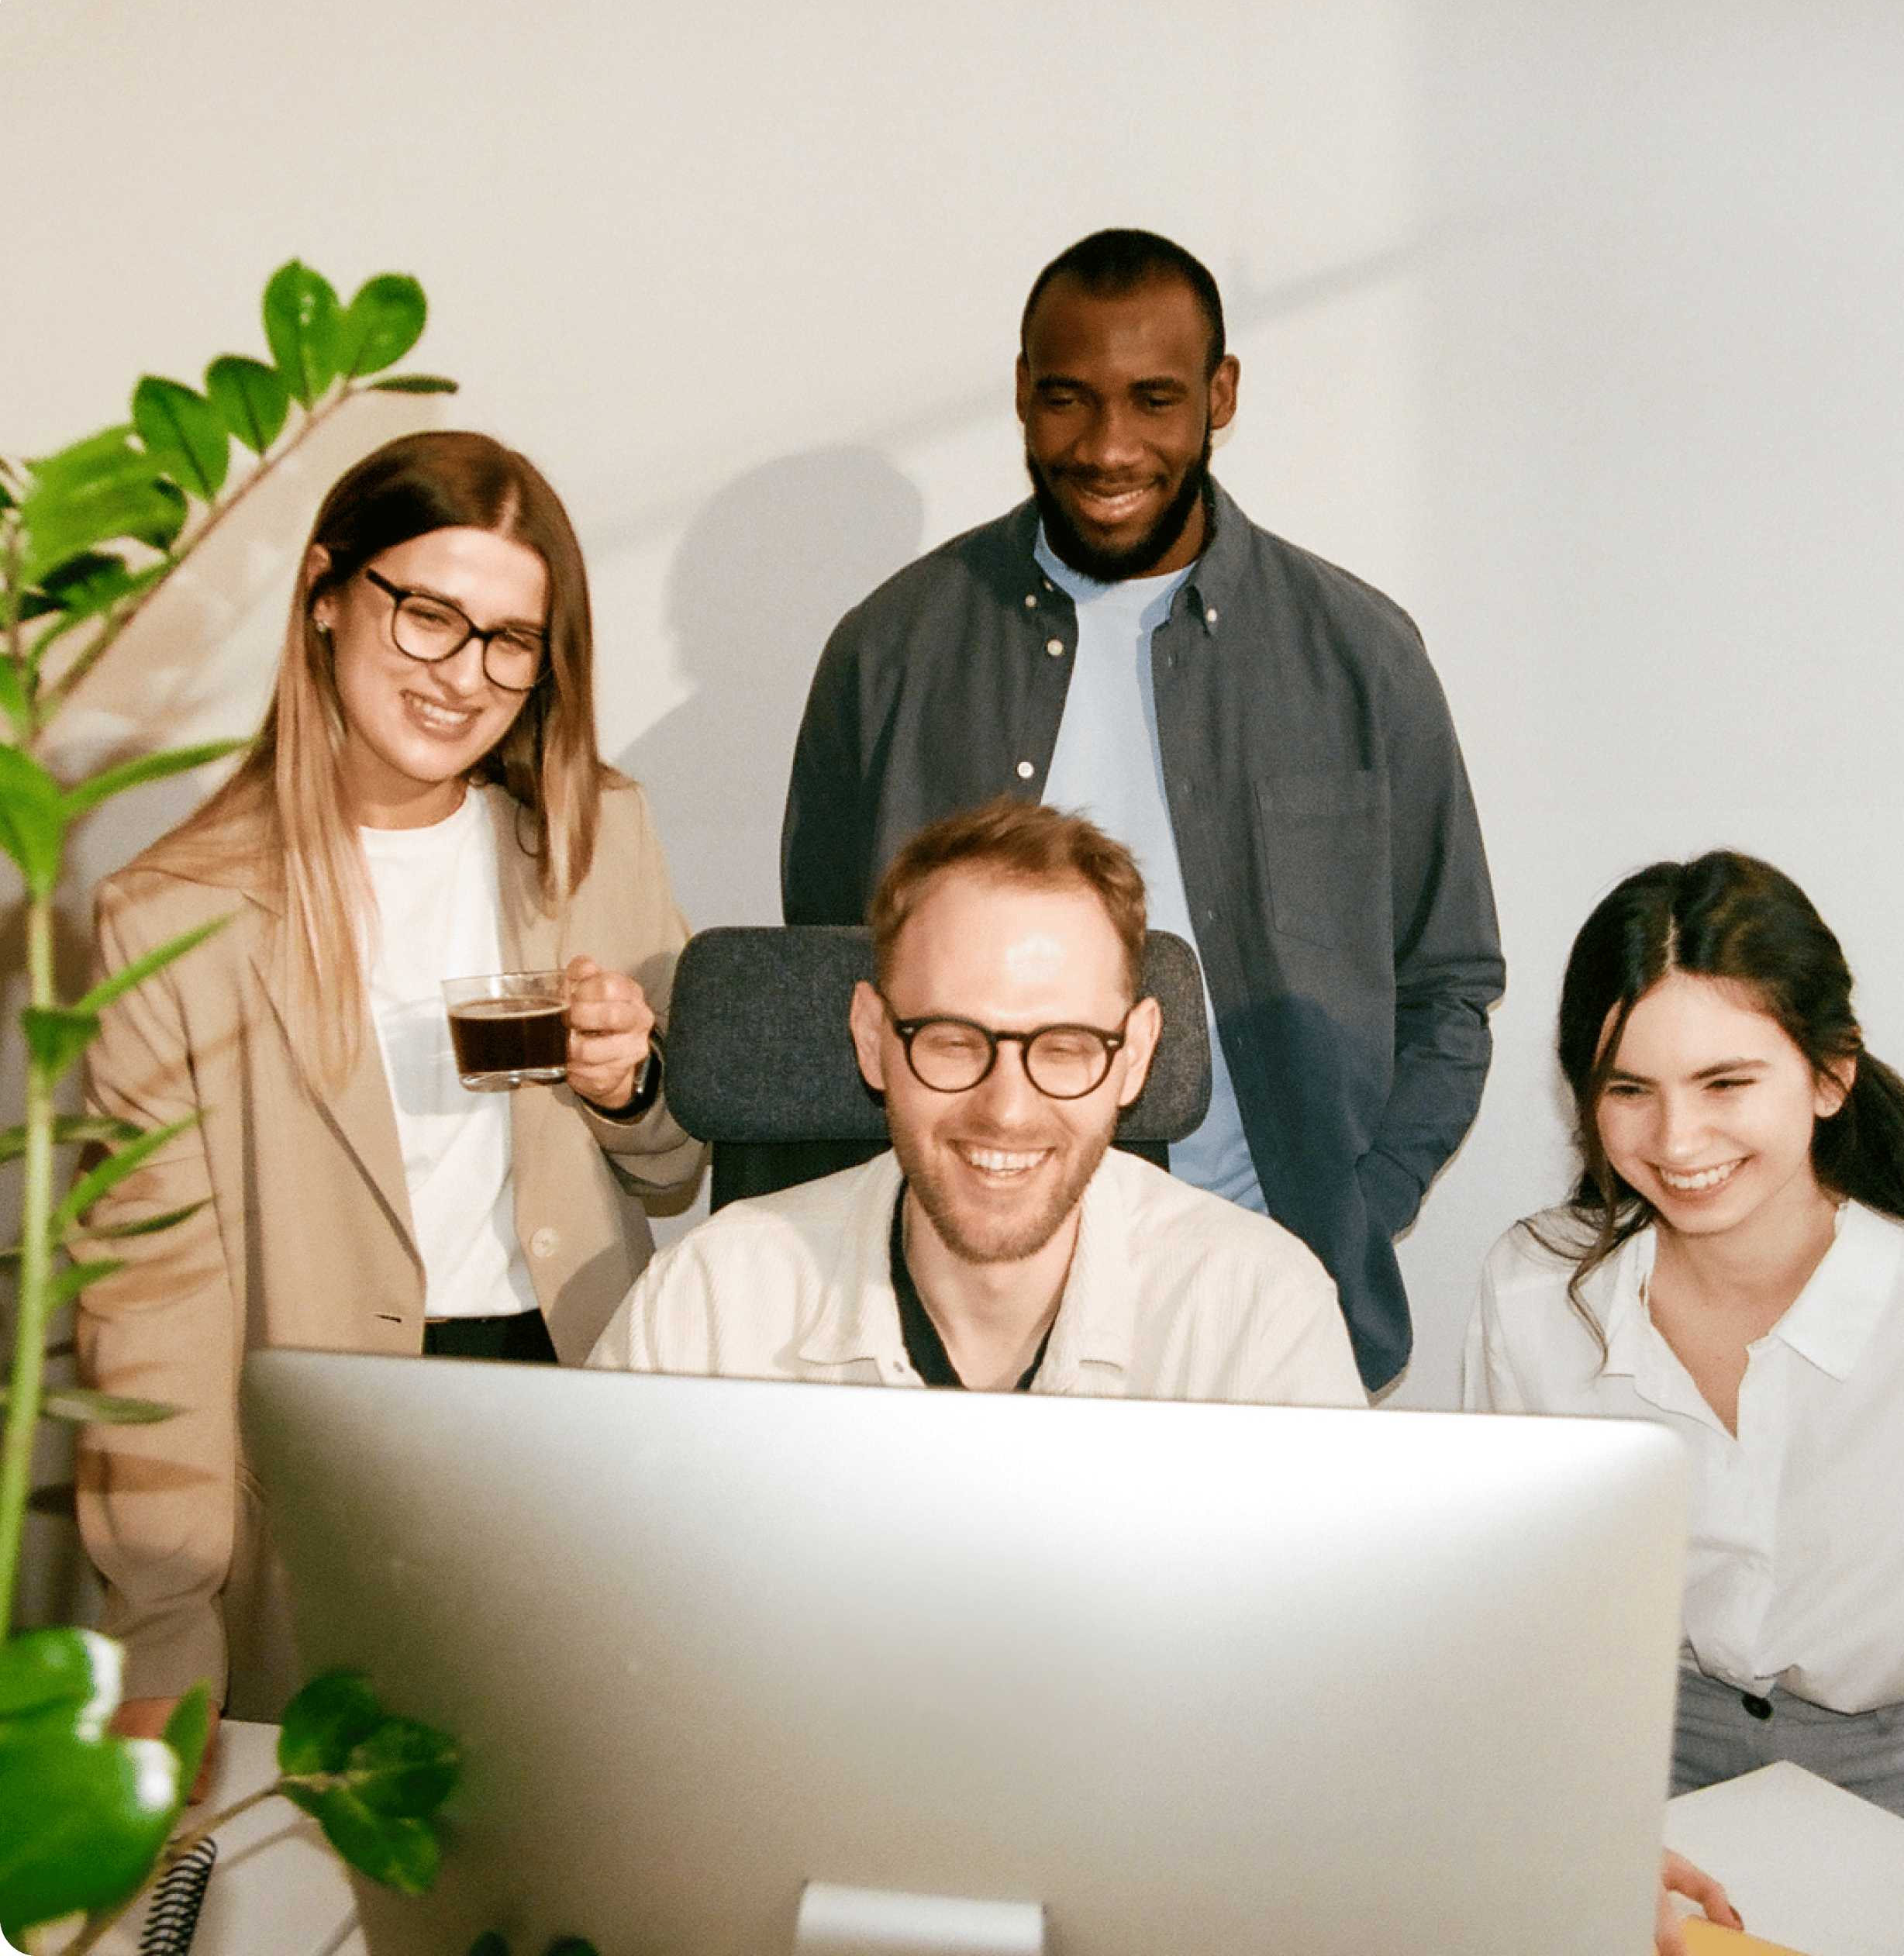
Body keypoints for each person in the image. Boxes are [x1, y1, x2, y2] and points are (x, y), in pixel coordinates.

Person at [781, 227, 1502, 1393]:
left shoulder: (1361, 655)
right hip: (958, 1316)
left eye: (1153, 399)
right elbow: (829, 976)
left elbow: (1450, 986)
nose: (1108, 446)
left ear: (1220, 396)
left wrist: (1350, 1212)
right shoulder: (890, 653)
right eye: (1067, 399)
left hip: (1259, 1308)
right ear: (1022, 393)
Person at [75, 430, 704, 1750]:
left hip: (574, 1411)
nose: (462, 675)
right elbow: (151, 1307)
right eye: (428, 615)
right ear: (325, 593)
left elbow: (671, 1167)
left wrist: (627, 1080)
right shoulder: (174, 914)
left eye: (509, 641)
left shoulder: (598, 832)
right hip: (332, 1456)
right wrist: (167, 1623)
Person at [1465, 850, 1904, 1937]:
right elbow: (1521, 1623)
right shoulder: (1536, 1288)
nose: (1677, 1143)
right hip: (1633, 1760)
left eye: (1727, 1084)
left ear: (1830, 1075)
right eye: (1629, 1090)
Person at [594, 800, 1364, 1407]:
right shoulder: (710, 1309)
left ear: (1133, 1057)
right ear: (872, 1037)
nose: (1006, 1108)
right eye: (955, 1040)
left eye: (1063, 1046)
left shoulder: (1258, 1315)